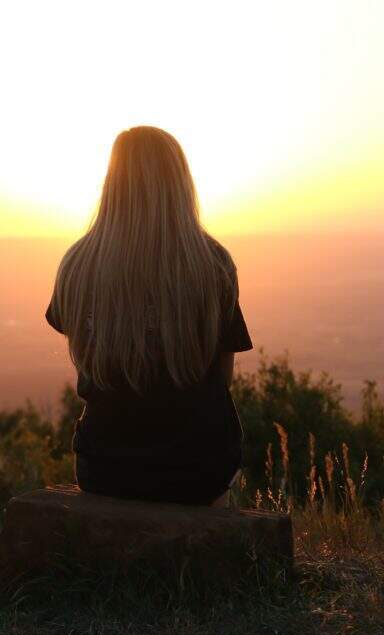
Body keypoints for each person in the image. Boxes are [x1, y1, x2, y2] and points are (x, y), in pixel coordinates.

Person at [45, 126, 253, 506]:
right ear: (180, 184)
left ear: (112, 182)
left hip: (105, 468)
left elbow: (86, 359)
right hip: (199, 470)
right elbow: (223, 380)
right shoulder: (214, 265)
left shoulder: (77, 265)